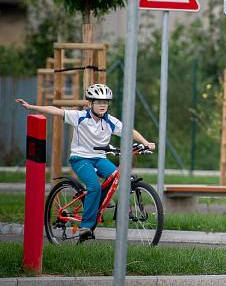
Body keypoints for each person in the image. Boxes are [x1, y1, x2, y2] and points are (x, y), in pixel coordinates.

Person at [16, 83, 155, 241]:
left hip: (99, 158)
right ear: (90, 103)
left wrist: (145, 142)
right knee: (94, 186)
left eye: (105, 102)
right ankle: (86, 226)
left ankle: (96, 205)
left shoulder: (110, 121)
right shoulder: (80, 117)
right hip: (80, 158)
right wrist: (31, 106)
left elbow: (129, 131)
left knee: (118, 176)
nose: (103, 105)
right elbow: (56, 111)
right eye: (98, 101)